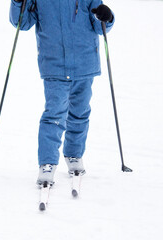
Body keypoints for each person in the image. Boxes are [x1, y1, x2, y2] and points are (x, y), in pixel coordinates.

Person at [9, 0, 115, 185]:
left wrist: (107, 17)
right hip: (54, 64)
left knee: (80, 113)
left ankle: (74, 155)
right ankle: (47, 163)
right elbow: (22, 23)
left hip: (84, 62)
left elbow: (100, 26)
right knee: (54, 114)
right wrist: (18, 2)